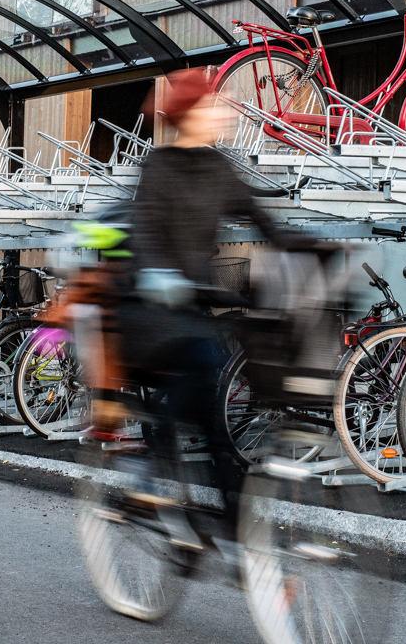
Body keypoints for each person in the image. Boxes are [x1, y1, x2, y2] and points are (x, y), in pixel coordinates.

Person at [122, 67, 292, 542]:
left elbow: (261, 219)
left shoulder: (218, 168)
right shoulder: (158, 167)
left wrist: (311, 250)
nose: (225, 112)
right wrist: (160, 275)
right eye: (216, 104)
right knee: (205, 389)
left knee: (214, 416)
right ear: (193, 114)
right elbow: (145, 231)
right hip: (152, 310)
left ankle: (234, 537)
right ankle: (154, 465)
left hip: (194, 310)